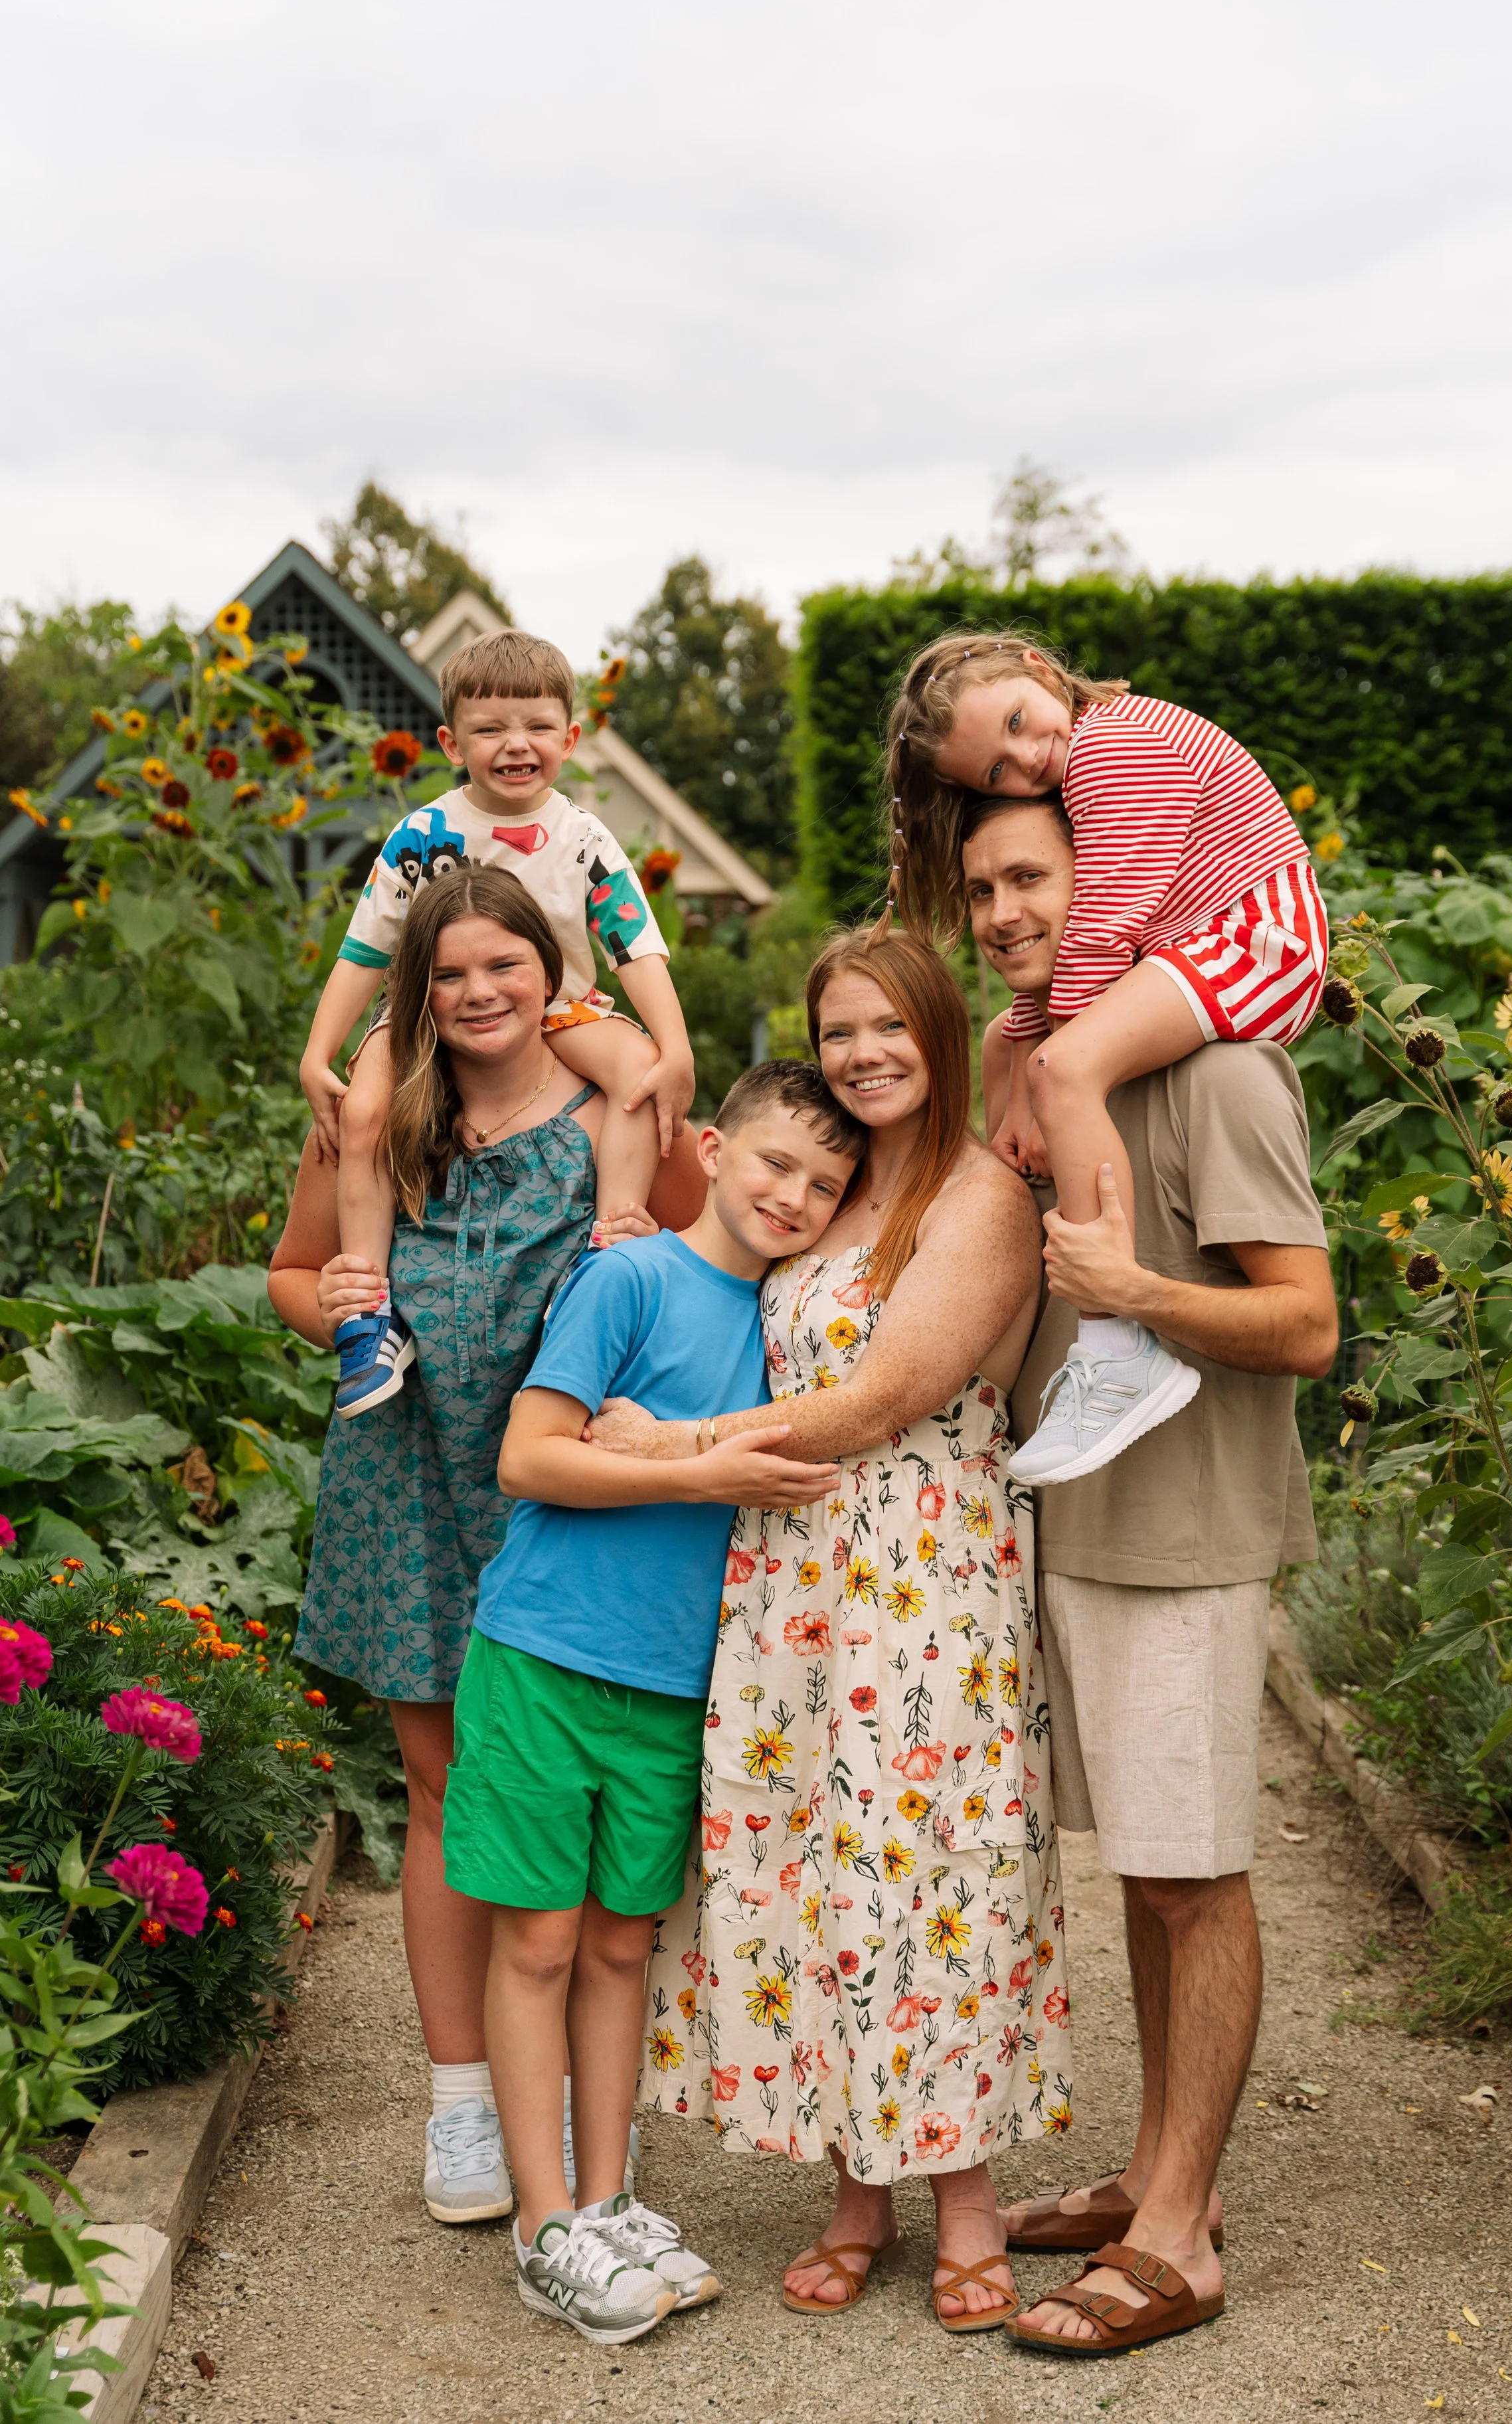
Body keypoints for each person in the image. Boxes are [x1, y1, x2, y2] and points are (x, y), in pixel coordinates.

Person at [598, 927, 1073, 2334]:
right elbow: (662, 1129)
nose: (862, 1055)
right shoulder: (833, 1184)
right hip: (789, 1577)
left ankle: (966, 2199)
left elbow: (880, 1400)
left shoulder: (975, 1198)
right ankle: (853, 2186)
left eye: (888, 1029)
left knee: (937, 1878)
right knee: (805, 1869)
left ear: (932, 1031)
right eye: (838, 1033)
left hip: (924, 1589)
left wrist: (674, 1443)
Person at [958, 789, 1338, 2356]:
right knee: (1147, 1872)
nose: (999, 908)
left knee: (1196, 1875)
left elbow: (1308, 1325)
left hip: (1183, 1534)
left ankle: (1181, 2234)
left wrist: (1140, 1290)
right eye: (978, 884)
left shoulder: (1225, 1072)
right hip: (1080, 1523)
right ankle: (1154, 2170)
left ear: (1109, 879)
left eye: (1031, 874)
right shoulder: (1051, 1071)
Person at [274, 867, 703, 2233]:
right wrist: (332, 1296)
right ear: (419, 988)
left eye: (500, 969)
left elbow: (708, 1255)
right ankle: (463, 2100)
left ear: (547, 972)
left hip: (563, 1494)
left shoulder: (615, 1116)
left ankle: (579, 2102)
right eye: (448, 975)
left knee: (576, 1789)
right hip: (409, 1478)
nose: (476, 995)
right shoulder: (378, 1115)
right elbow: (290, 1276)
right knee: (442, 1777)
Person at [442, 1060, 861, 2344]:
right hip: (547, 1656)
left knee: (626, 1946)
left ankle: (611, 2199)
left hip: (681, 1687)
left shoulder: (798, 1320)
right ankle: (542, 2221)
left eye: (827, 1186)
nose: (794, 1196)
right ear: (718, 1145)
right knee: (541, 1943)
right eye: (778, 1163)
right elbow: (529, 1455)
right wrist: (706, 1470)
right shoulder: (628, 1277)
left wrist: (688, 1451)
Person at [884, 631, 1328, 1489]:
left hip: (1256, 943)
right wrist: (1019, 1054)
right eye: (997, 776)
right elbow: (1070, 972)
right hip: (1205, 943)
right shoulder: (1094, 756)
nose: (1027, 759)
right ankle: (1111, 1349)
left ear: (1042, 671)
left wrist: (1036, 1080)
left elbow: (1103, 926)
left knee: (1066, 1069)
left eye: (1019, 721)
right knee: (1046, 1058)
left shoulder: (1115, 747)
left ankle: (1118, 1346)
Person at [299, 630, 695, 1418]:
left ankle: (605, 1250)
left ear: (570, 739)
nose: (516, 746)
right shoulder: (423, 835)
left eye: (538, 727)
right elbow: (364, 947)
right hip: (425, 1009)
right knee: (368, 1110)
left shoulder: (582, 837)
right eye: (490, 730)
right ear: (452, 742)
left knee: (638, 1075)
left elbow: (633, 942)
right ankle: (369, 1316)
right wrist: (319, 1053)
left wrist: (674, 1045)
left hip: (561, 1008)